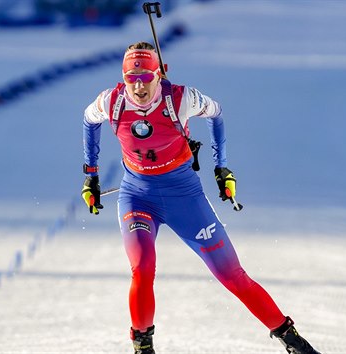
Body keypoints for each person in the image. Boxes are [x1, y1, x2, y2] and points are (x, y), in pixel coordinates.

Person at [81, 41, 321, 354]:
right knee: (142, 269)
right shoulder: (111, 102)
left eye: (147, 79)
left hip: (184, 198)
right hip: (137, 197)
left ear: (160, 74)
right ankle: (143, 347)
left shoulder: (181, 99)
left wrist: (222, 168)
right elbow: (89, 121)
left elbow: (217, 113)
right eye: (132, 80)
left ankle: (292, 341)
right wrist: (91, 175)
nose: (139, 88)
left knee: (231, 275)